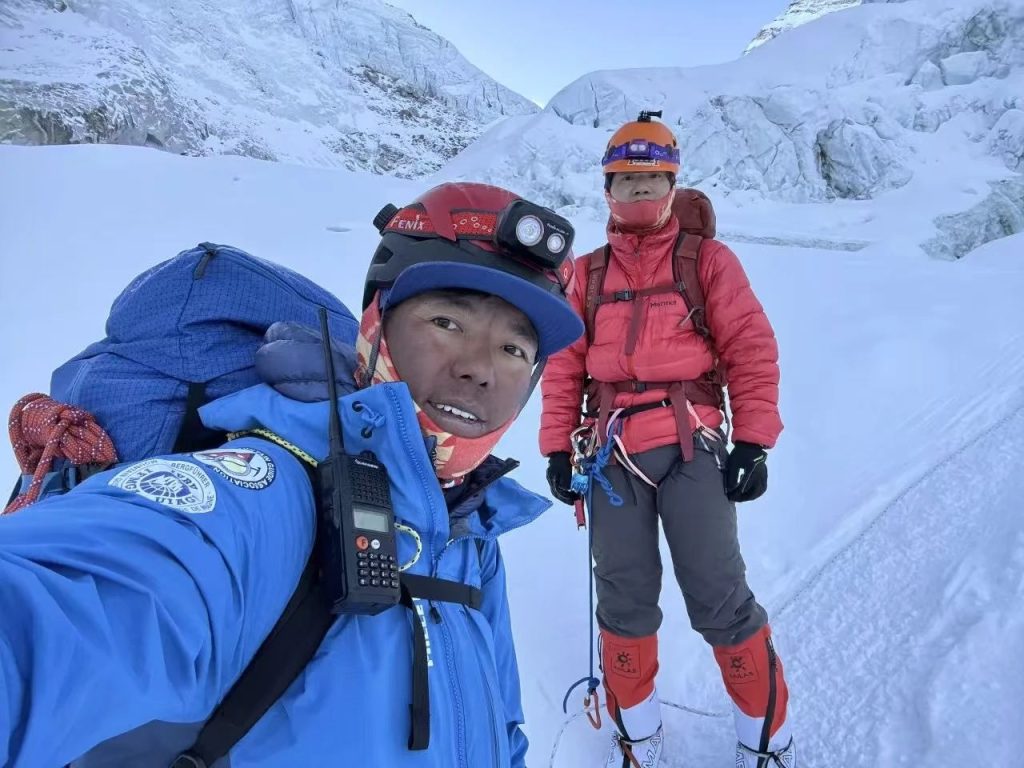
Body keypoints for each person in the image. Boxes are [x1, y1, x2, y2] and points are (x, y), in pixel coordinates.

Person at [0, 182, 584, 768]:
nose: (481, 369)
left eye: (514, 350)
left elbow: (501, 733)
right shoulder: (262, 493)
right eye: (448, 322)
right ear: (375, 328)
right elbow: (57, 616)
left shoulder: (470, 534)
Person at [540, 112, 796, 768]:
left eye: (652, 180)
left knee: (720, 597)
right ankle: (640, 739)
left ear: (672, 185)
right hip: (611, 455)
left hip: (692, 447)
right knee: (623, 602)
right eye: (626, 181)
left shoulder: (707, 261)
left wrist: (754, 441)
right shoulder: (587, 274)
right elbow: (565, 366)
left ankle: (766, 744)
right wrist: (557, 448)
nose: (639, 191)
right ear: (607, 189)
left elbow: (750, 347)